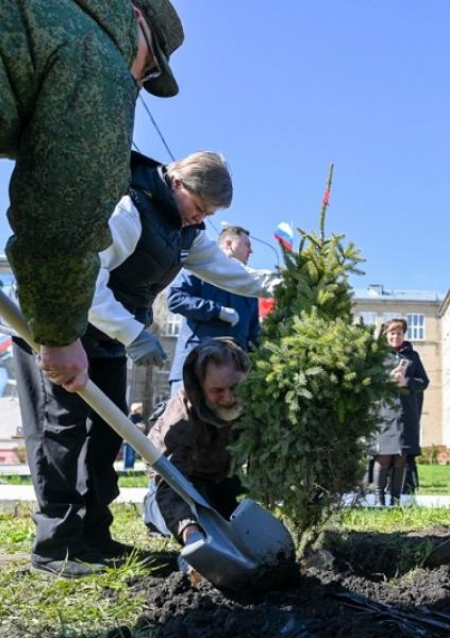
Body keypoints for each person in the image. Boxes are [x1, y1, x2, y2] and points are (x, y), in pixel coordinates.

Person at [14, 150, 278, 578]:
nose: (200, 219)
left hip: (107, 338)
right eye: (199, 208)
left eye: (209, 214)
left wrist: (279, 282)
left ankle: (96, 538)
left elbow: (227, 272)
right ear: (177, 184)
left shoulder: (182, 231)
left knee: (106, 435)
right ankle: (56, 546)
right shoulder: (128, 209)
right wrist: (133, 332)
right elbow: (85, 277)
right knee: (60, 433)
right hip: (61, 326)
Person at [2, 0, 184, 391]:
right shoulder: (98, 58)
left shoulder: (48, 16)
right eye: (149, 68)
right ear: (135, 18)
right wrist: (61, 334)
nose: (138, 84)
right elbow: (61, 212)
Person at [143, 339, 248, 551]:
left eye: (235, 387)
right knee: (195, 520)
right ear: (200, 387)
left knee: (231, 518)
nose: (228, 398)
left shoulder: (254, 400)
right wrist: (190, 533)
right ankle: (152, 511)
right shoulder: (180, 421)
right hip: (181, 480)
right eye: (217, 391)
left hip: (221, 474)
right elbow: (170, 483)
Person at [167, 225, 260, 396]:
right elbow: (175, 298)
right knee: (183, 420)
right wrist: (217, 311)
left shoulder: (248, 285)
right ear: (228, 243)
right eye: (247, 244)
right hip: (194, 369)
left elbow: (254, 336)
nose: (251, 251)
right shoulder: (201, 268)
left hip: (232, 376)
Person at [372, 318, 429, 506]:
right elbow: (369, 382)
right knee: (383, 457)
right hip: (384, 414)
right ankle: (379, 500)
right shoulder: (378, 356)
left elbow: (424, 382)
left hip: (406, 413)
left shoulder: (412, 356)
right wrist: (387, 380)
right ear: (386, 335)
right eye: (392, 333)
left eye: (399, 333)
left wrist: (407, 382)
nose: (396, 336)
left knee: (401, 457)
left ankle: (395, 500)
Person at [123, 402, 146, 470]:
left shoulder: (140, 417)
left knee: (132, 453)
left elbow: (142, 426)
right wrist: (138, 426)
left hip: (135, 438)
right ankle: (127, 467)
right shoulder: (132, 416)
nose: (142, 410)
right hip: (129, 438)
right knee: (128, 453)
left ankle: (131, 466)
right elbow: (131, 425)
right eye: (140, 409)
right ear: (136, 409)